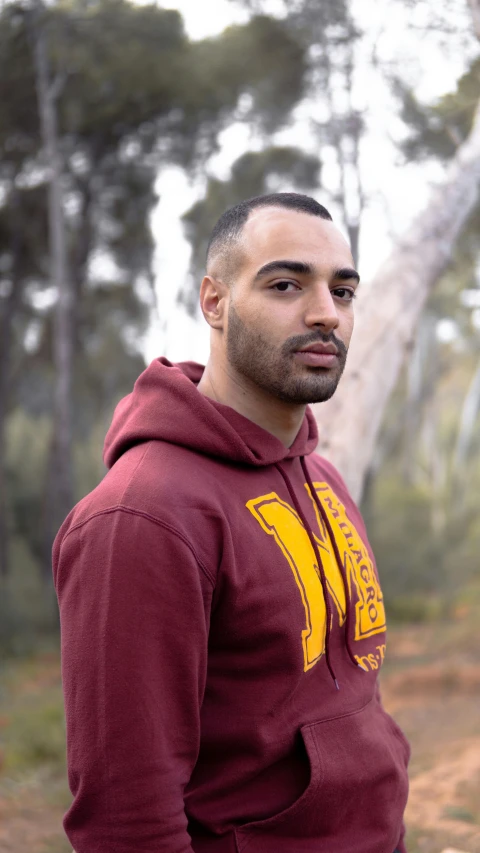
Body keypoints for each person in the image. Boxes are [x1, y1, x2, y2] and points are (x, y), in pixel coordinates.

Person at [53, 192, 410, 853]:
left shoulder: (322, 478)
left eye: (343, 290)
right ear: (214, 302)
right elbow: (124, 820)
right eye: (285, 284)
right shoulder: (142, 516)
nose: (325, 313)